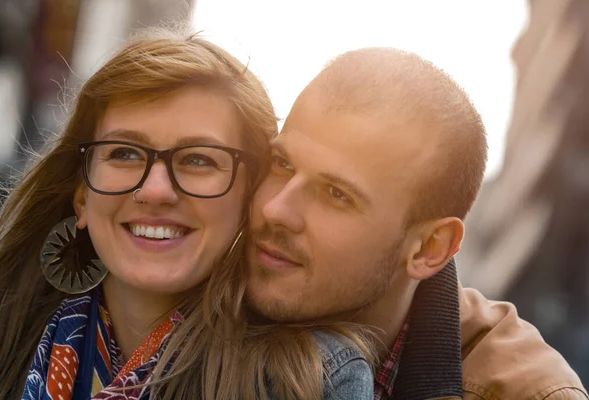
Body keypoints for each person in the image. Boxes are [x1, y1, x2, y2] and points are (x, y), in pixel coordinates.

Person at [0, 26, 376, 400]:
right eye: (124, 153)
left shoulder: (313, 379)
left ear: (249, 196)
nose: (155, 191)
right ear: (81, 197)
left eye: (198, 159)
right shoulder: (2, 337)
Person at [246, 47, 589, 400]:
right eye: (281, 163)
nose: (276, 210)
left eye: (336, 194)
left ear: (429, 248)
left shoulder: (526, 393)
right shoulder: (199, 283)